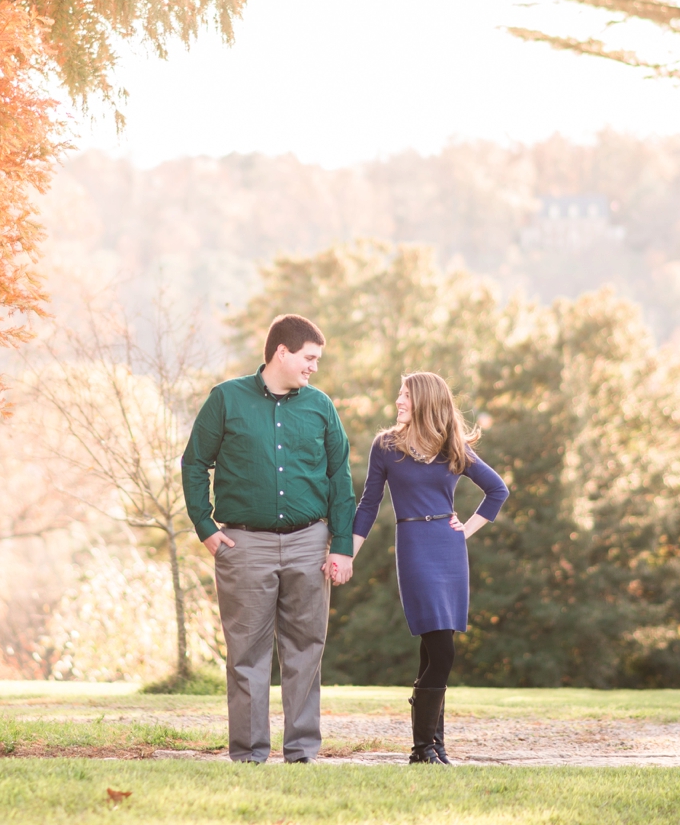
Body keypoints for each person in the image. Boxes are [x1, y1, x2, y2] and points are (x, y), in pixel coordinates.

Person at [182, 313, 356, 765]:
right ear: (282, 352)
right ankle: (249, 755)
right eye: (309, 357)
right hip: (244, 546)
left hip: (309, 543)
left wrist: (340, 545)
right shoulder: (226, 399)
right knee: (247, 657)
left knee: (305, 652)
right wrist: (206, 528)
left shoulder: (320, 406)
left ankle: (301, 753)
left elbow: (341, 476)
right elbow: (194, 463)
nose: (314, 367)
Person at [352, 371, 509, 766]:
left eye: (404, 395)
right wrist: (346, 552)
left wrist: (465, 531)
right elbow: (369, 504)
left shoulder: (451, 445)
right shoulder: (385, 446)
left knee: (434, 649)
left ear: (424, 401)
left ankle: (432, 748)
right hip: (414, 546)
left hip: (448, 547)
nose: (398, 401)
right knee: (441, 650)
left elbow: (498, 489)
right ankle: (423, 748)